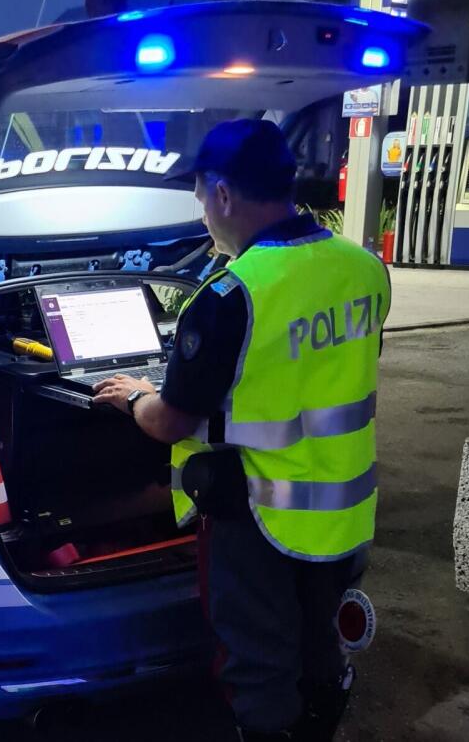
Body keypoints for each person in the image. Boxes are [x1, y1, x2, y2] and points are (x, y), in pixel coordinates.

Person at [91, 120, 389, 742]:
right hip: (345, 508)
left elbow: (170, 420)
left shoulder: (232, 296)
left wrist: (135, 397)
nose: (202, 214)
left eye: (200, 197)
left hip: (261, 516)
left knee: (258, 664)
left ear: (223, 195)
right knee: (323, 650)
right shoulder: (364, 269)